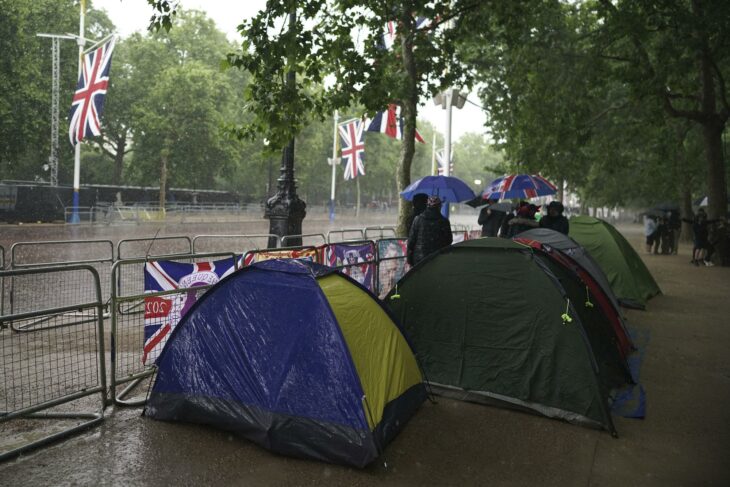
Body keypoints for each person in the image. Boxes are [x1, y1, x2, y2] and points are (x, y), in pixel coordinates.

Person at [407, 196, 453, 266]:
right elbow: (449, 240)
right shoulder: (444, 221)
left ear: (427, 206)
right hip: (438, 259)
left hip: (419, 260)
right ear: (439, 206)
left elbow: (411, 242)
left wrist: (410, 258)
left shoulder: (417, 219)